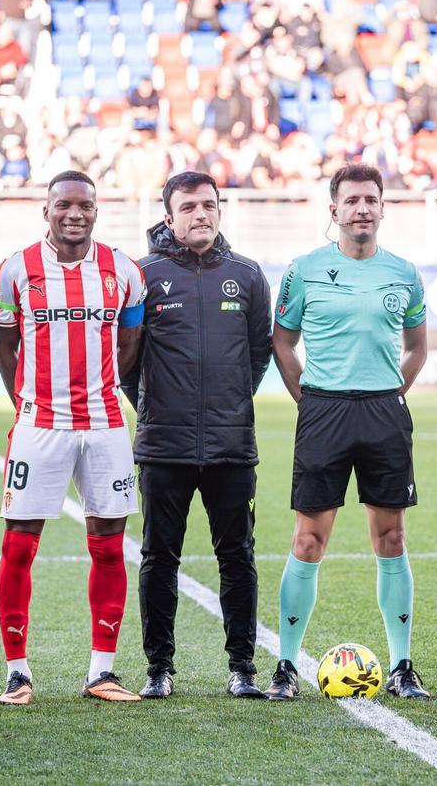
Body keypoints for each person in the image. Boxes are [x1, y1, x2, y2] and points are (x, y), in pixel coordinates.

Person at [264, 163, 429, 701]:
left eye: (370, 200)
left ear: (383, 209)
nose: (362, 208)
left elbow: (417, 347)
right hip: (324, 413)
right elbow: (282, 342)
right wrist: (308, 399)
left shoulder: (404, 273)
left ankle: (404, 665)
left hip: (383, 413)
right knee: (308, 540)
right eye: (352, 200)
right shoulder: (304, 269)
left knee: (392, 538)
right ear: (333, 210)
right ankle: (286, 668)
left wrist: (389, 392)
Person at [0, 170, 146, 705]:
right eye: (64, 205)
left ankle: (101, 671)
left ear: (96, 211)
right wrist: (31, 405)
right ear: (47, 210)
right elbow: (4, 349)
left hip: (105, 425)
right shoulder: (15, 270)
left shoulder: (123, 270)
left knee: (108, 544)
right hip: (40, 425)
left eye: (84, 206)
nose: (74, 214)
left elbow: (129, 346)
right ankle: (17, 673)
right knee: (18, 545)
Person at [120, 171, 272, 700]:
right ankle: (159, 668)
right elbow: (128, 364)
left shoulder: (248, 275)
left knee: (238, 557)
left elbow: (257, 357)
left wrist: (230, 401)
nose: (200, 214)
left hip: (232, 445)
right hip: (165, 444)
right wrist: (159, 405)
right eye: (188, 207)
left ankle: (243, 669)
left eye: (208, 204)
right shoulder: (143, 275)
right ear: (170, 217)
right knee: (160, 557)